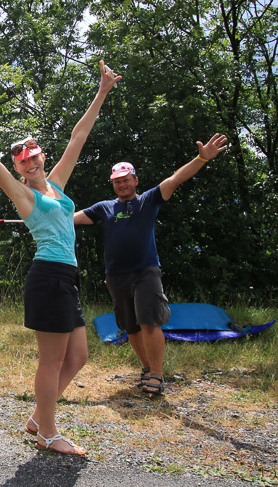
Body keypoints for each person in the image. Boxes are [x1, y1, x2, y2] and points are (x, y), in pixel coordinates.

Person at [0, 61, 120, 455]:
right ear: (20, 169)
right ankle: (48, 432)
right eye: (24, 161)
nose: (31, 162)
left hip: (66, 278)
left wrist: (102, 90)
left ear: (41, 156)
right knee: (52, 361)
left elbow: (78, 136)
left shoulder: (56, 185)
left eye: (34, 155)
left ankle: (40, 416)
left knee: (79, 356)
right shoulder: (26, 196)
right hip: (48, 276)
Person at [74, 134, 228, 395]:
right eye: (117, 181)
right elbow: (69, 219)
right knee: (130, 326)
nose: (122, 185)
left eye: (125, 180)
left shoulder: (148, 200)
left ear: (135, 180)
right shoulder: (104, 208)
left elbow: (176, 179)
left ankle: (157, 374)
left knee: (149, 321)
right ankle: (146, 368)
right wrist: (37, 214)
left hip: (146, 271)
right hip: (116, 275)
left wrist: (202, 158)